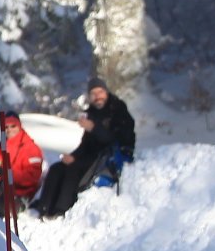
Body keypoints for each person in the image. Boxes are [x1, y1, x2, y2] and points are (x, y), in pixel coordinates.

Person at [31, 78, 136, 219]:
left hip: (109, 157)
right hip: (91, 155)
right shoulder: (92, 113)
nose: (97, 96)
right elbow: (85, 144)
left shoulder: (118, 110)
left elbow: (117, 139)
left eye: (100, 92)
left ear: (106, 92)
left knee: (73, 169)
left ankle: (61, 208)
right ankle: (44, 205)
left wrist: (94, 128)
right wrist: (73, 156)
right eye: (93, 93)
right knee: (57, 168)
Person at [0, 112, 44, 216]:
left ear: (19, 126)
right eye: (6, 127)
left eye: (13, 126)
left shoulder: (31, 149)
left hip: (19, 195)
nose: (9, 129)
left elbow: (31, 178)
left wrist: (7, 174)